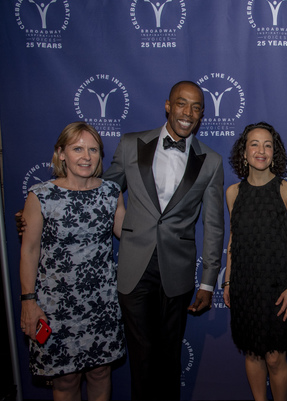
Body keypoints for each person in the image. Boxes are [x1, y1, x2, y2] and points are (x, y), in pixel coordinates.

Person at [101, 80, 225, 401]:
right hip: (134, 267)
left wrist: (209, 283)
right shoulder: (131, 144)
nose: (188, 113)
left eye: (196, 107)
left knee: (169, 358)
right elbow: (102, 191)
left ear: (202, 115)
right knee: (142, 358)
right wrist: (56, 205)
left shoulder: (210, 161)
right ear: (168, 105)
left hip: (178, 271)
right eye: (182, 104)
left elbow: (213, 226)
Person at [19, 122, 126, 401]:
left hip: (101, 303)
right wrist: (28, 301)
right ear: (61, 153)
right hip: (56, 306)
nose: (86, 156)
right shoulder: (40, 195)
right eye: (77, 148)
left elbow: (130, 234)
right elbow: (29, 252)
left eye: (93, 149)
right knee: (65, 381)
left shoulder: (110, 192)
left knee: (101, 373)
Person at [223, 122, 287, 401]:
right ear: (244, 152)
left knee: (274, 359)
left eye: (268, 145)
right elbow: (234, 241)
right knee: (253, 353)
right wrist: (228, 281)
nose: (261, 150)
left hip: (278, 287)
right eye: (254, 144)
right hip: (245, 286)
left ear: (275, 152)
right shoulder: (233, 193)